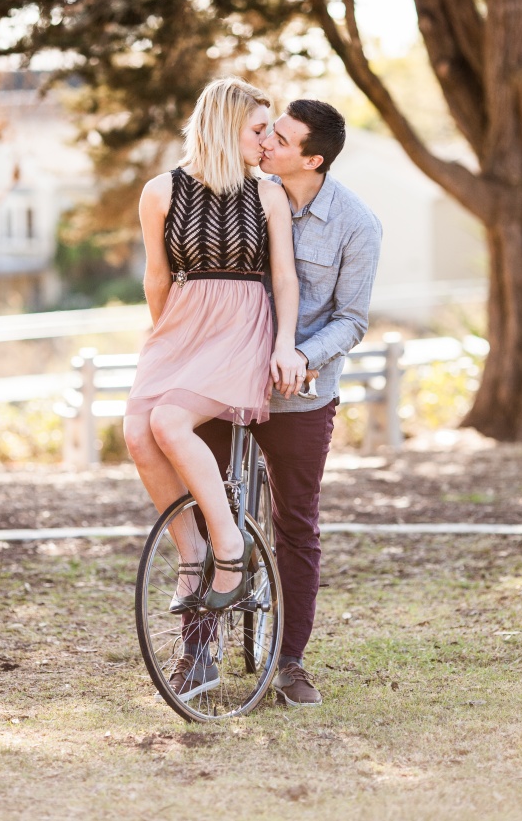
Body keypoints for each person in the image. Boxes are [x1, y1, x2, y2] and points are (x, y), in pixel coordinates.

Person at [197, 98, 382, 707]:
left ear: (314, 158)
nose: (266, 144)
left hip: (301, 395)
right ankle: (197, 650)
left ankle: (290, 662)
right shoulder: (241, 192)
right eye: (267, 133)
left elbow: (352, 319)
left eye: (281, 139)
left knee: (295, 524)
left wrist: (302, 357)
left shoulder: (357, 224)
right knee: (206, 509)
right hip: (224, 383)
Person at [123, 77, 302, 698]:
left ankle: (230, 551)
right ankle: (192, 554)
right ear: (226, 127)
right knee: (137, 432)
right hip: (180, 325)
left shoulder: (268, 194)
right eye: (258, 130)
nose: (267, 141)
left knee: (171, 422)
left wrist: (284, 344)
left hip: (241, 327)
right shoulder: (161, 190)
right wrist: (166, 341)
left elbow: (284, 279)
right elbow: (156, 276)